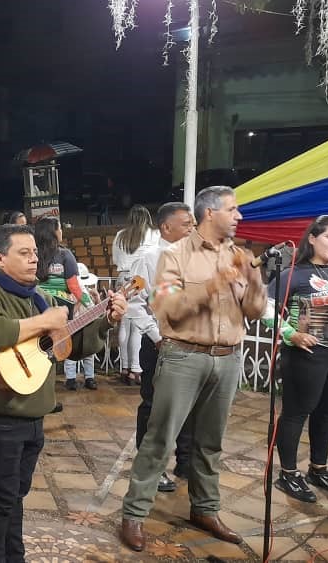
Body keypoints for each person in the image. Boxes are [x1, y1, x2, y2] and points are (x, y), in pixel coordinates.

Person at [0, 224, 126, 563]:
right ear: (0, 259)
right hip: (2, 415)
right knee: (3, 496)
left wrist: (105, 320)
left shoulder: (41, 297)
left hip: (35, 414)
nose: (34, 258)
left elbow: (72, 345)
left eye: (35, 252)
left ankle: (14, 556)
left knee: (16, 495)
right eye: (23, 253)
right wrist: (46, 320)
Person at [120, 186, 266, 552]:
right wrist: (213, 286)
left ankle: (206, 509)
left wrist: (254, 283)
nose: (239, 216)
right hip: (183, 356)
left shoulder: (241, 256)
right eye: (233, 210)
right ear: (209, 214)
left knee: (210, 442)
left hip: (229, 357)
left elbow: (255, 311)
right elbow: (166, 309)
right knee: (161, 439)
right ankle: (134, 514)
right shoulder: (173, 256)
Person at [263, 215, 328, 502]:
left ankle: (319, 468)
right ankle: (288, 474)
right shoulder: (293, 273)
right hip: (308, 356)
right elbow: (266, 309)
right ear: (313, 238)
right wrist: (291, 334)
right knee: (296, 413)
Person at [129, 202, 196, 493]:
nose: (193, 229)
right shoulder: (149, 257)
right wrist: (157, 336)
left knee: (190, 405)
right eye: (186, 225)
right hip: (160, 344)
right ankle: (151, 467)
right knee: (156, 407)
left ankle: (186, 460)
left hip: (192, 343)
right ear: (166, 227)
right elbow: (134, 302)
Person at [34, 217, 94, 390]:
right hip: (61, 308)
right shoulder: (64, 254)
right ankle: (67, 379)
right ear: (53, 232)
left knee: (41, 347)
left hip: (39, 304)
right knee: (62, 343)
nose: (61, 231)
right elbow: (73, 286)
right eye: (59, 228)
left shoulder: (35, 254)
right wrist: (89, 303)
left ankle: (40, 385)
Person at [113, 205, 160, 385]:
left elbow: (116, 260)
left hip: (123, 278)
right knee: (138, 326)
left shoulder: (120, 235)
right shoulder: (154, 235)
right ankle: (135, 369)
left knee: (125, 324)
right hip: (141, 279)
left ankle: (125, 367)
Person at [62, 263, 100, 389]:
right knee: (71, 352)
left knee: (89, 353)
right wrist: (79, 300)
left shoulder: (89, 292)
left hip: (88, 325)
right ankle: (70, 379)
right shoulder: (68, 292)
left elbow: (96, 310)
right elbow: (70, 312)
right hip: (73, 325)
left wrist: (97, 298)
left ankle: (90, 378)